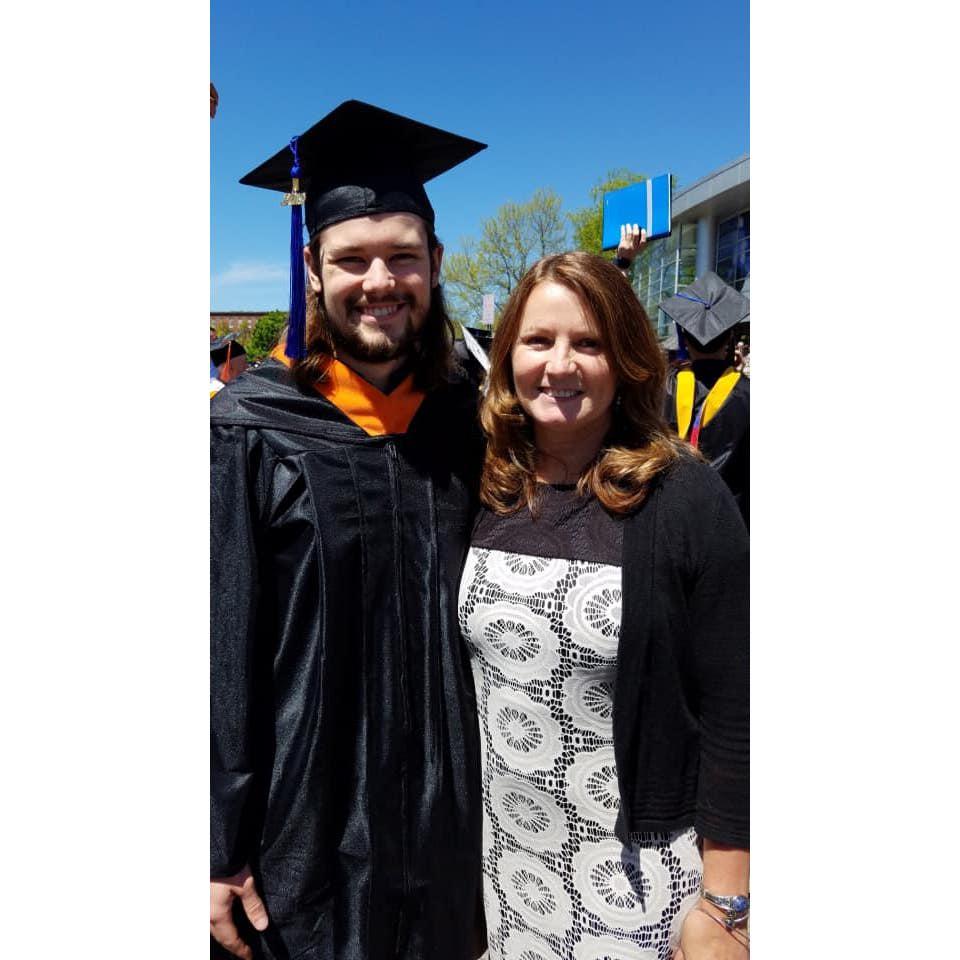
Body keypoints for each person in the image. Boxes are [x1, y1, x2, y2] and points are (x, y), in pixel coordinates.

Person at [210, 100, 487, 960]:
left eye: (403, 256)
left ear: (435, 264)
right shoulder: (251, 428)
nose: (380, 280)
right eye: (352, 258)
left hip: (452, 829)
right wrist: (213, 842)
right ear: (313, 267)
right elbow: (218, 645)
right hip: (303, 829)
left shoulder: (468, 424)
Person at [458, 252, 749, 960]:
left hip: (638, 875)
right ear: (507, 357)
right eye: (538, 340)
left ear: (625, 357)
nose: (561, 364)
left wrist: (727, 906)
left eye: (588, 342)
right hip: (506, 862)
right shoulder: (485, 481)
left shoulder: (682, 493)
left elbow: (738, 704)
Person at [660, 273, 750, 526]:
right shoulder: (749, 394)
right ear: (730, 336)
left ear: (684, 338)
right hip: (732, 524)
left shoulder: (660, 388)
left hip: (670, 519)